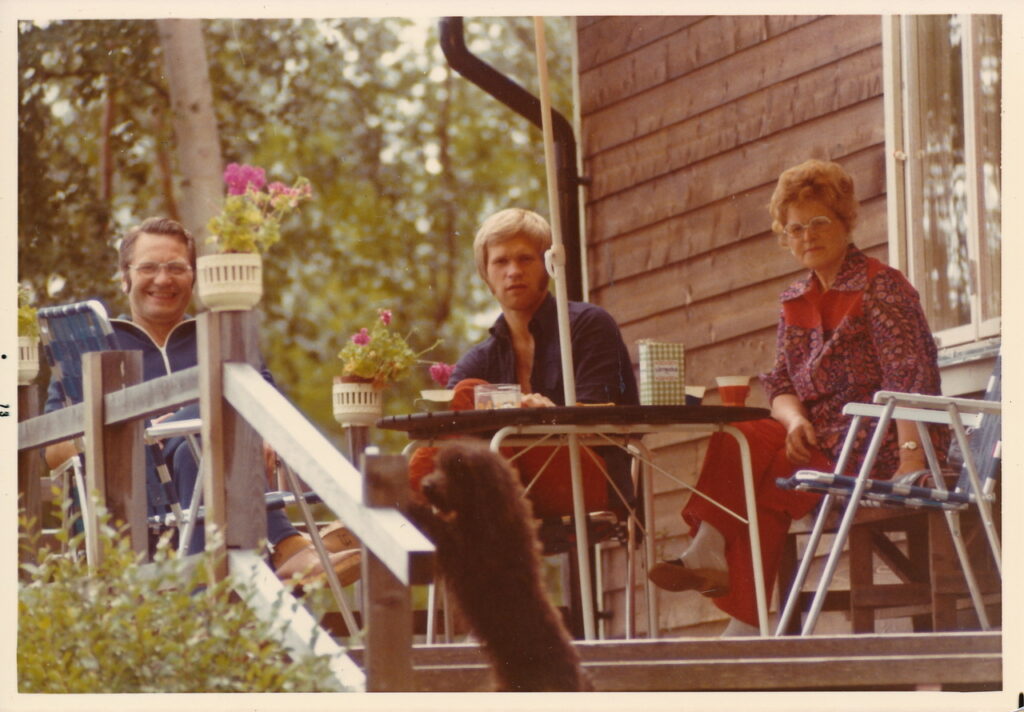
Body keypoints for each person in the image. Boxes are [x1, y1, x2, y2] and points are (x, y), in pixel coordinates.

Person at [647, 160, 944, 636]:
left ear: (846, 222)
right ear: (785, 238)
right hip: (820, 443)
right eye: (795, 228)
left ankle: (738, 612)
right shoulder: (794, 300)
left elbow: (910, 378)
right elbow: (780, 383)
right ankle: (718, 566)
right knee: (745, 439)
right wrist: (792, 422)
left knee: (763, 485)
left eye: (820, 222)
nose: (807, 236)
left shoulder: (880, 286)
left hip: (877, 445)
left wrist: (912, 460)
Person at [43, 217, 359, 585]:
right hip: (134, 504)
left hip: (220, 494)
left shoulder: (222, 341)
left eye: (177, 267)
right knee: (214, 410)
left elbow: (275, 414)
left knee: (216, 423)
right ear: (125, 276)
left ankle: (263, 564)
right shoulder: (94, 351)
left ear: (194, 277)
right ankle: (290, 546)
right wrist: (135, 434)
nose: (163, 279)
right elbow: (52, 450)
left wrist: (261, 433)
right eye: (148, 267)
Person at [442, 207, 640, 516]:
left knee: (471, 403)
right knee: (465, 398)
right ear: (486, 274)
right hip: (506, 489)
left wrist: (548, 415)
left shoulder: (589, 325)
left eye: (525, 259)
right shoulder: (479, 358)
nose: (513, 271)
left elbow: (601, 419)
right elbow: (447, 430)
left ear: (547, 266)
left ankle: (384, 528)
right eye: (501, 261)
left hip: (587, 478)